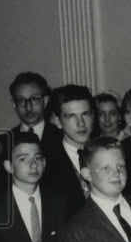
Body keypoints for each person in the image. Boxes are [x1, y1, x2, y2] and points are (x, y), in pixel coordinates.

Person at [0, 72, 63, 196]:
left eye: (34, 99)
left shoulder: (62, 137)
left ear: (45, 100)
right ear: (14, 104)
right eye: (21, 101)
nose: (28, 107)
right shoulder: (2, 142)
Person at [41, 84, 95, 217]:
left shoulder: (111, 152)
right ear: (58, 121)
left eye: (85, 114)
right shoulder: (47, 164)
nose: (81, 123)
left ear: (93, 116)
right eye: (72, 116)